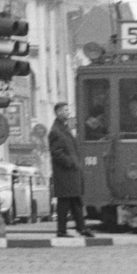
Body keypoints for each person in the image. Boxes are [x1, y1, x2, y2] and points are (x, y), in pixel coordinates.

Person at [49, 102, 94, 238]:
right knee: (64, 203)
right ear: (58, 112)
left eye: (68, 110)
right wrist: (71, 163)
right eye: (66, 110)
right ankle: (61, 230)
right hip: (65, 174)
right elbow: (56, 153)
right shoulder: (55, 131)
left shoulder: (64, 128)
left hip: (71, 173)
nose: (68, 113)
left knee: (75, 201)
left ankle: (81, 228)